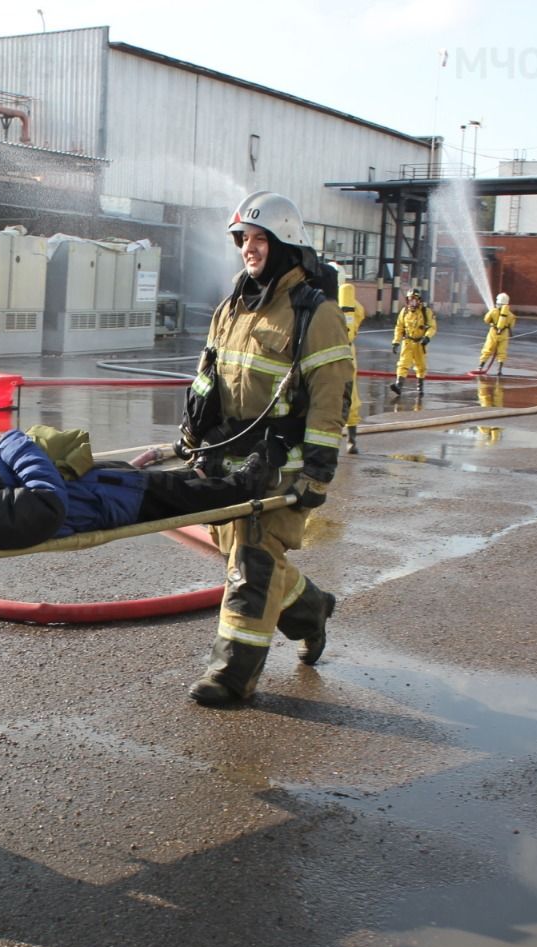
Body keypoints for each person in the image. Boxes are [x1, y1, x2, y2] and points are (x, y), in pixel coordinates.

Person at [173, 191, 352, 706]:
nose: (249, 249)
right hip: (227, 461)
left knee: (251, 566)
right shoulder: (231, 306)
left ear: (285, 245)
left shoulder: (313, 313)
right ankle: (311, 608)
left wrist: (316, 474)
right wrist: (191, 431)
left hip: (279, 466)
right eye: (243, 240)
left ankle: (230, 677)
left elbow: (329, 397)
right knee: (248, 555)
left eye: (259, 239)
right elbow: (208, 375)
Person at [0, 421, 268, 556]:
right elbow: (45, 506)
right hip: (104, 500)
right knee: (195, 497)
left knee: (181, 483)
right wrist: (7, 442)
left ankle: (214, 476)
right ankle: (252, 483)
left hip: (97, 478)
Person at [334, 263, 364, 454]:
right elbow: (360, 315)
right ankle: (352, 441)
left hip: (326, 351)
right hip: (348, 351)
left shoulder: (321, 298)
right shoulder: (351, 303)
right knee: (350, 395)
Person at [390, 289, 437, 395]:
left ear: (419, 301)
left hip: (420, 343)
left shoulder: (426, 312)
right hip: (407, 342)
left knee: (421, 365)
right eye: (410, 300)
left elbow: (432, 327)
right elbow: (399, 327)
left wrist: (427, 337)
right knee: (403, 363)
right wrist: (396, 342)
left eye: (414, 300)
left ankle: (420, 387)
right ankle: (398, 385)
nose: (412, 303)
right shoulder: (404, 312)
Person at [477, 292, 516, 375]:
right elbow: (511, 325)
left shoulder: (493, 311)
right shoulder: (511, 315)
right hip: (504, 334)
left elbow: (486, 320)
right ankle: (499, 370)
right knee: (502, 352)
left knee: (487, 349)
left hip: (493, 332)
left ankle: (480, 367)